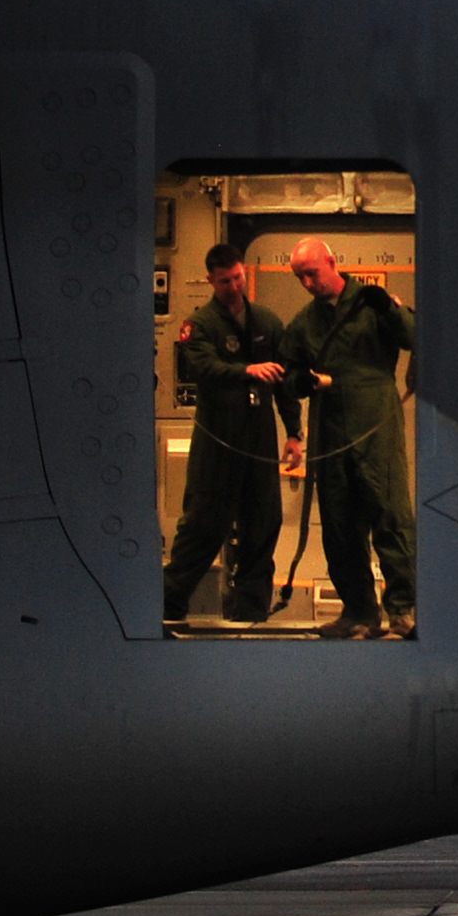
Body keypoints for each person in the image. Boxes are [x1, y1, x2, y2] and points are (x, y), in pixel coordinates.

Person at [280, 239, 417, 640]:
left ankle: (403, 610)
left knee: (390, 516)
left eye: (312, 273)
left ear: (332, 262)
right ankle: (358, 611)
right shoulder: (304, 323)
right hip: (330, 430)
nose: (308, 283)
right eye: (300, 277)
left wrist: (389, 308)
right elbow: (288, 373)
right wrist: (300, 382)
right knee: (339, 525)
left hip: (375, 423)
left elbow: (414, 336)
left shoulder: (371, 304)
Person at [159, 242, 302, 627]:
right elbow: (203, 367)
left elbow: (285, 381)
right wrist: (246, 371)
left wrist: (294, 433)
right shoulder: (200, 324)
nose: (234, 286)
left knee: (264, 522)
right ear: (211, 281)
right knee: (205, 525)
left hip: (259, 438)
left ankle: (251, 611)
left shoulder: (267, 322)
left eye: (238, 278)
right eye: (225, 281)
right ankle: (168, 604)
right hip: (218, 441)